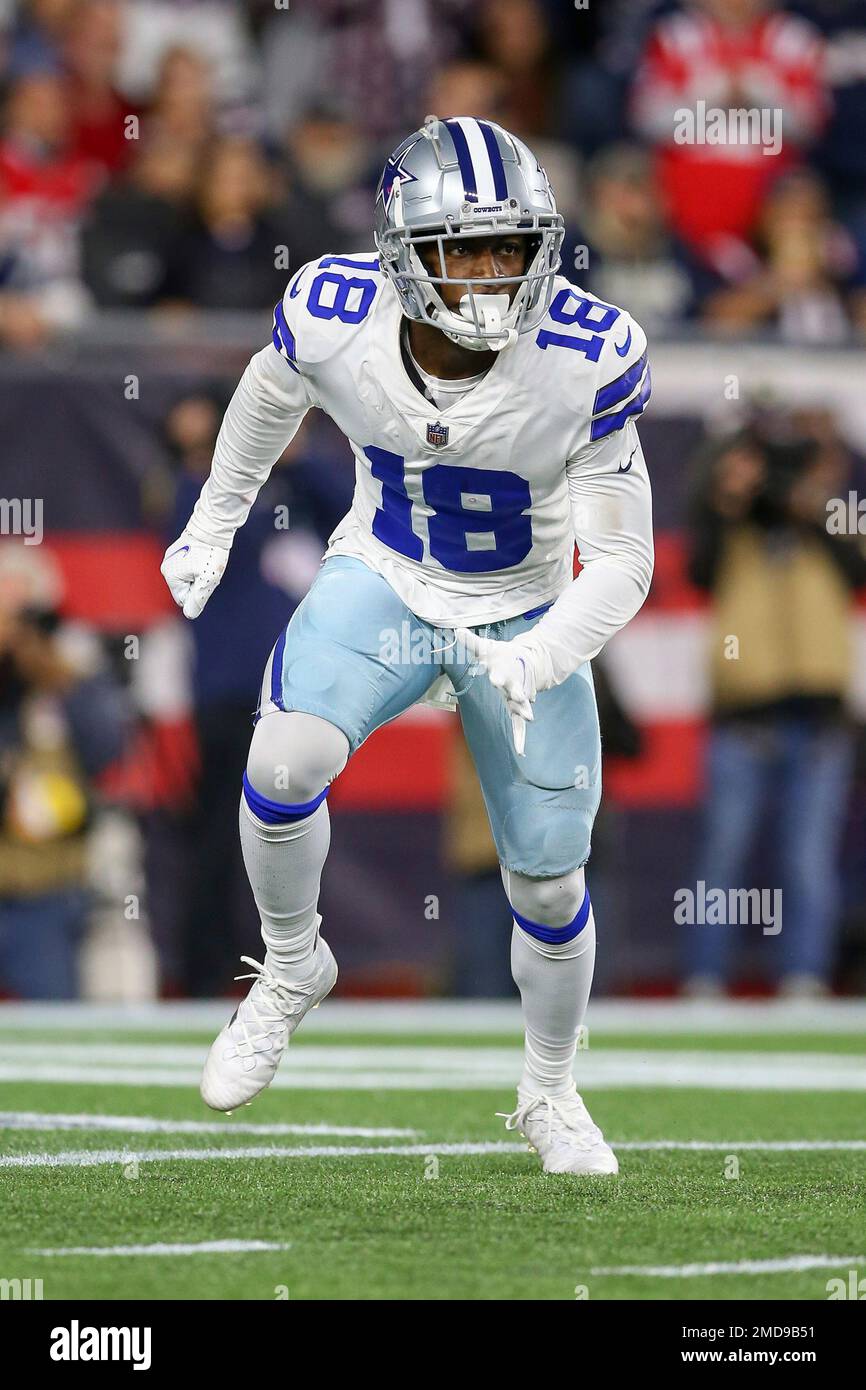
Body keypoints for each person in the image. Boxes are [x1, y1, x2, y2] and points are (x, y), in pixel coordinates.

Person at [161, 115, 654, 1176]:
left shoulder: (584, 355)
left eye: (508, 248)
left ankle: (550, 1089)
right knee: (281, 761)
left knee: (548, 887)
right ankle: (292, 966)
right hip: (384, 576)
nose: (489, 276)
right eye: (462, 250)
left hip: (525, 604)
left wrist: (544, 652)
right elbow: (264, 395)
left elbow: (623, 562)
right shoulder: (335, 310)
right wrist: (213, 520)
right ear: (400, 253)